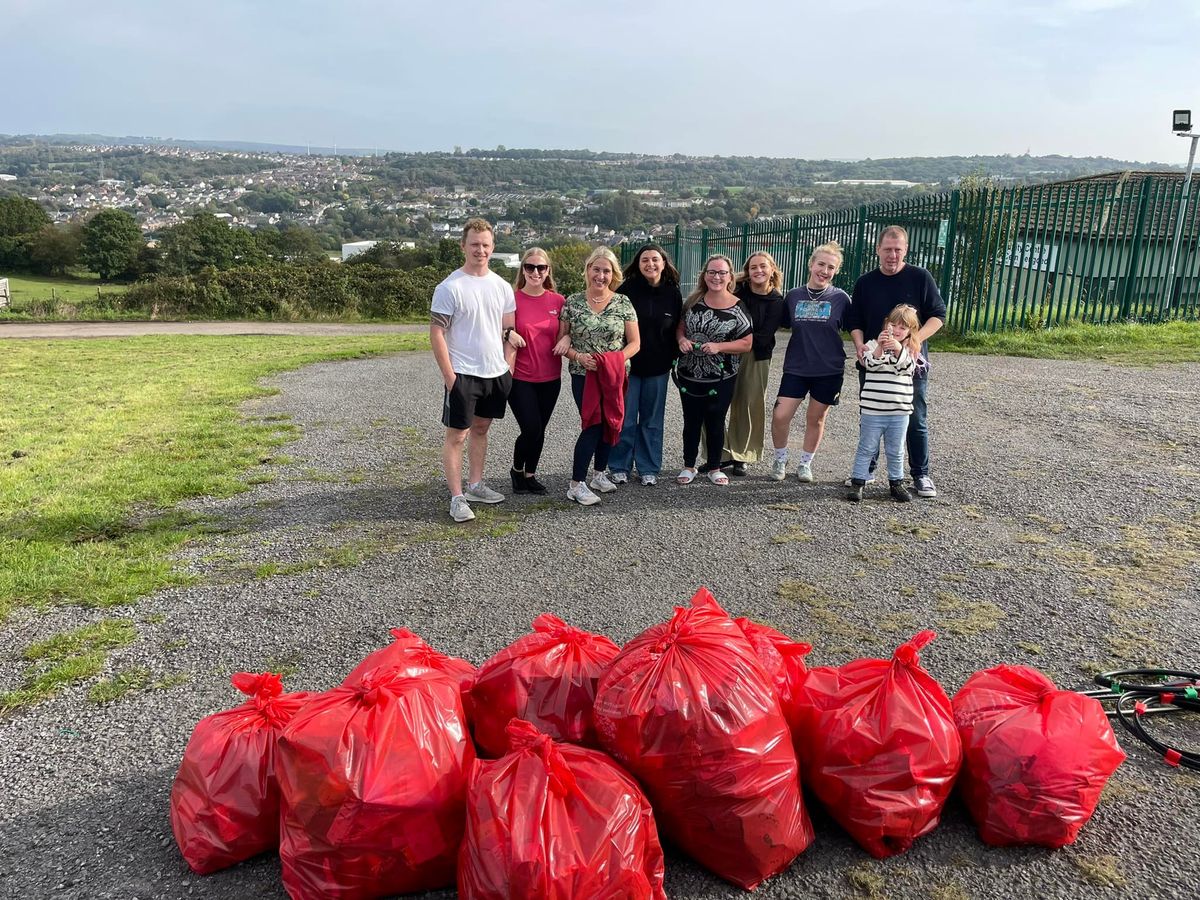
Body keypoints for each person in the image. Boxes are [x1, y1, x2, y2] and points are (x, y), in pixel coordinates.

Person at [848, 226, 946, 498]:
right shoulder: (866, 282)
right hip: (874, 363)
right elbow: (854, 320)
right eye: (888, 249)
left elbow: (938, 315)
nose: (892, 255)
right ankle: (865, 471)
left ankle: (920, 474)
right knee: (871, 416)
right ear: (878, 249)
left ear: (906, 250)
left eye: (898, 249)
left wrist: (914, 341)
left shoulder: (921, 277)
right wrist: (858, 344)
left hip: (910, 365)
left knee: (915, 418)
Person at [430, 219, 516, 523]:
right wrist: (449, 377)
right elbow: (437, 333)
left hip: (495, 374)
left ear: (493, 248)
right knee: (457, 436)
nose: (480, 250)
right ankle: (456, 497)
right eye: (474, 244)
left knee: (481, 429)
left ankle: (476, 485)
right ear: (463, 246)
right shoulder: (449, 287)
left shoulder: (502, 287)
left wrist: (507, 366)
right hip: (463, 374)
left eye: (485, 245)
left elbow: (509, 330)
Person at [554, 246, 640, 506]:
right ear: (588, 270)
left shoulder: (623, 302)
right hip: (584, 375)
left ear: (613, 274)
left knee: (610, 422)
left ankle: (599, 473)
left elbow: (635, 343)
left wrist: (612, 360)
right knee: (592, 424)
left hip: (614, 374)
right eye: (596, 269)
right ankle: (575, 484)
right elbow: (561, 341)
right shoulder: (573, 302)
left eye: (606, 271)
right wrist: (579, 357)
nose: (600, 275)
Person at [769, 242, 851, 483]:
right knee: (781, 415)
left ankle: (805, 463)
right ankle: (780, 458)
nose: (824, 271)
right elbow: (777, 322)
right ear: (811, 264)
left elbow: (856, 328)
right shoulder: (794, 296)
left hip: (828, 370)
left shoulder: (841, 299)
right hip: (797, 367)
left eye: (831, 267)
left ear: (836, 271)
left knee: (816, 418)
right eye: (821, 264)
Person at [674, 254, 753, 485]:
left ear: (730, 277)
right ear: (704, 275)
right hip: (689, 373)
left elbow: (747, 344)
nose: (716, 277)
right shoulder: (692, 302)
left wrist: (720, 346)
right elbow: (680, 329)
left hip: (721, 377)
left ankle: (715, 466)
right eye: (712, 272)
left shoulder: (738, 307)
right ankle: (689, 465)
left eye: (721, 273)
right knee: (691, 421)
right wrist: (681, 340)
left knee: (716, 420)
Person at [608, 243, 683, 487]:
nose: (650, 264)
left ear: (663, 263)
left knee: (652, 420)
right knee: (626, 419)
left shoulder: (672, 292)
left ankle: (648, 467)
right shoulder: (626, 290)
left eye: (654, 259)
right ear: (638, 265)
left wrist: (673, 356)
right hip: (629, 366)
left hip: (658, 368)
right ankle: (619, 466)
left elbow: (677, 327)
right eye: (644, 260)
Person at [503, 247, 564, 495]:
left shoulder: (558, 301)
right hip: (521, 377)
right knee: (531, 428)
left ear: (548, 270)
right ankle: (517, 470)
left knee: (541, 429)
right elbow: (496, 328)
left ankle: (530, 475)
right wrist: (508, 332)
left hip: (550, 378)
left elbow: (567, 332)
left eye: (541, 267)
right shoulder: (512, 299)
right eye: (530, 267)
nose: (535, 272)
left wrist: (567, 340)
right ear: (523, 270)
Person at [847, 304, 921, 503]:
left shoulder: (911, 350)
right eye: (893, 325)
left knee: (895, 450)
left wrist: (897, 350)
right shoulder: (872, 345)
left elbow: (906, 368)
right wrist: (880, 347)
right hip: (873, 410)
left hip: (899, 412)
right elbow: (869, 364)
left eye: (902, 328)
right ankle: (858, 482)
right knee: (866, 447)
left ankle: (896, 483)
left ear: (909, 332)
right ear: (886, 325)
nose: (897, 331)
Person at [721, 251, 785, 476]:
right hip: (726, 354)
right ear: (747, 272)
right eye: (753, 267)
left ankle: (742, 455)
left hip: (756, 356)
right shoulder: (736, 292)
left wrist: (735, 341)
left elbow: (765, 336)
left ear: (772, 270)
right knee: (716, 403)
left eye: (763, 267)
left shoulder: (776, 300)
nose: (758, 271)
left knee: (748, 405)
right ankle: (719, 454)